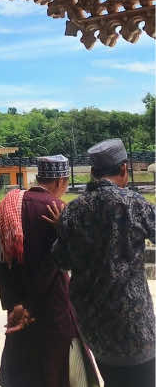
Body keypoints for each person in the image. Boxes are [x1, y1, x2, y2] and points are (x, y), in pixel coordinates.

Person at [50, 138, 155, 387]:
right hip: (134, 326)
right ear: (124, 169)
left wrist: (61, 230)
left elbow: (61, 260)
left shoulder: (73, 210)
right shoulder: (134, 204)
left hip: (94, 325)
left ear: (94, 172)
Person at [0, 155, 99, 387]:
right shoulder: (57, 209)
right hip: (53, 307)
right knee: (61, 372)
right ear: (62, 181)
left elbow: (0, 260)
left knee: (25, 369)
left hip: (19, 311)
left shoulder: (8, 206)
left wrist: (15, 304)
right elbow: (59, 263)